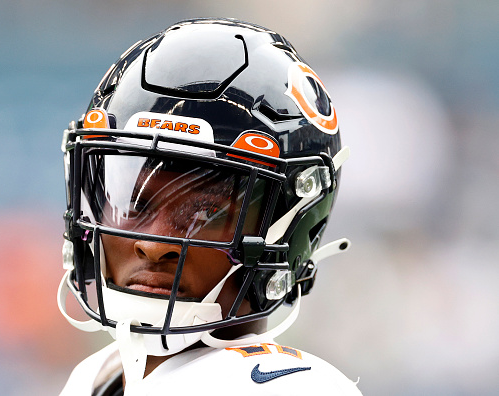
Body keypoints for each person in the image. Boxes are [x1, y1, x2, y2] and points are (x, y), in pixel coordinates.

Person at [57, 17, 361, 395]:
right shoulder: (94, 379)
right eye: (133, 204)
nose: (152, 244)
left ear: (289, 227)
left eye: (203, 214)